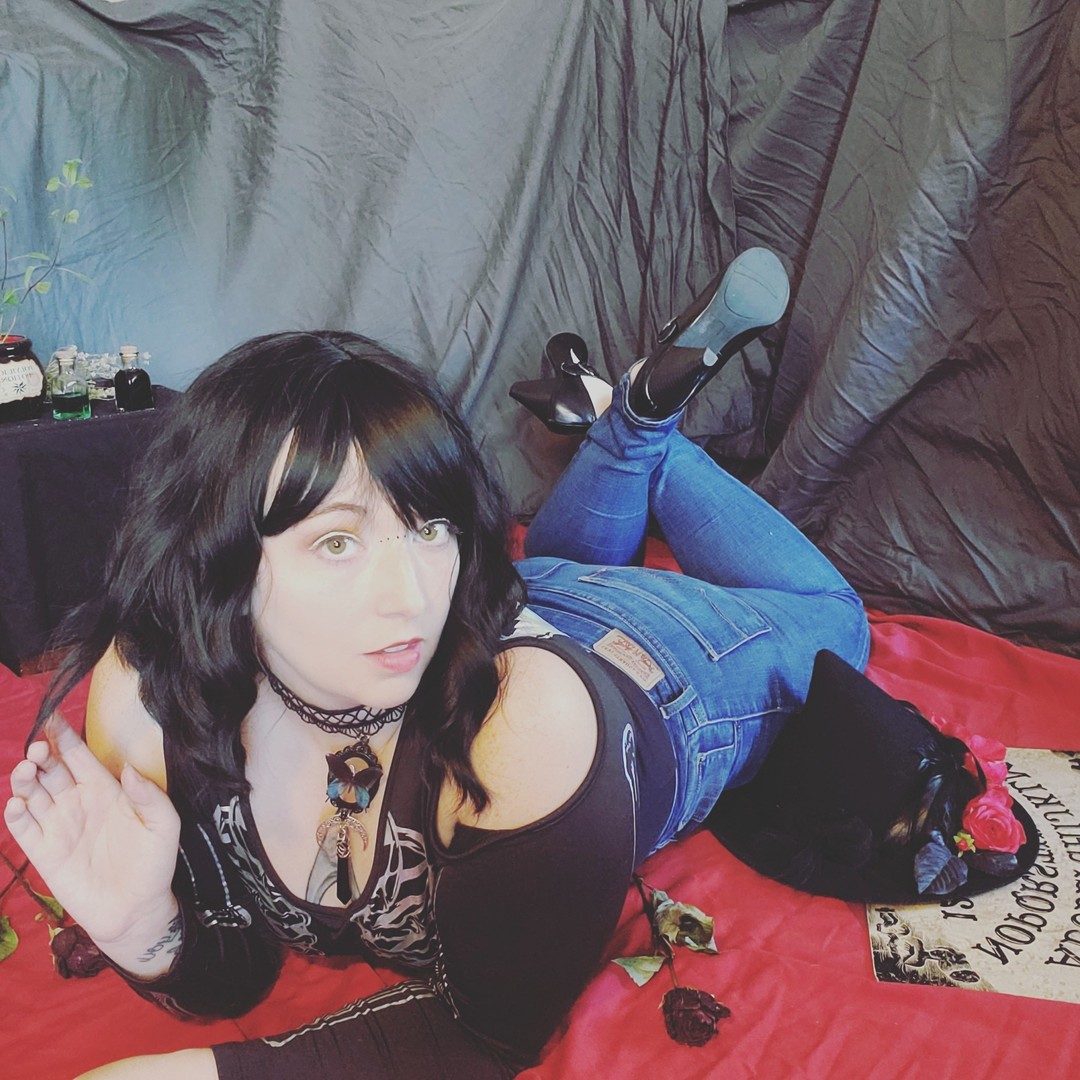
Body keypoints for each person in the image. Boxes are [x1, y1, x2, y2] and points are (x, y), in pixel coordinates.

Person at [4, 249, 871, 1078]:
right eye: (337, 541)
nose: (410, 593)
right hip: (523, 591)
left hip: (661, 665)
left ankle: (640, 421)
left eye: (431, 523)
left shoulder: (524, 726)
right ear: (215, 557)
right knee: (559, 559)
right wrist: (143, 929)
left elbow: (485, 1036)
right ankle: (627, 419)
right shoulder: (147, 703)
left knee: (838, 621)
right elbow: (233, 969)